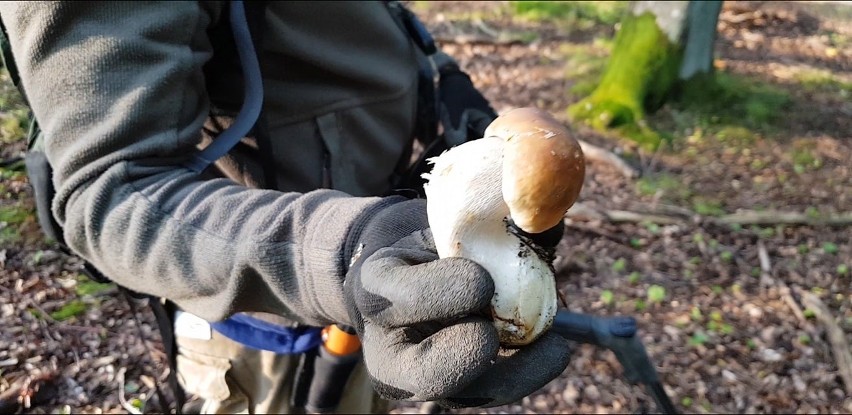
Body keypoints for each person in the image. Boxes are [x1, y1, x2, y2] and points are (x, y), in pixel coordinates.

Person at [0, 1, 573, 413]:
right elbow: (111, 193)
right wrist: (343, 255)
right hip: (262, 325)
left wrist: (447, 85)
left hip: (396, 291)